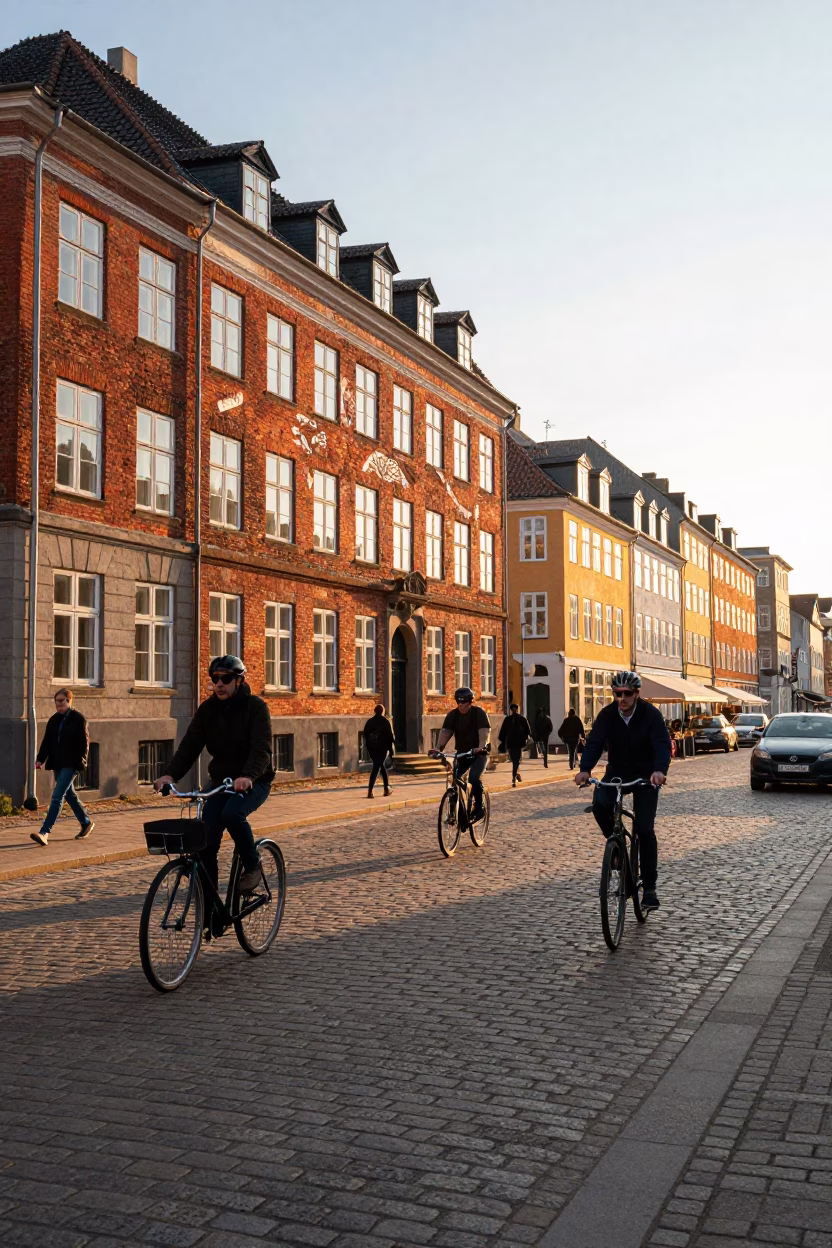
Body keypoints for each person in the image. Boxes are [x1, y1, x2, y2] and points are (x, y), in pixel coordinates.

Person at [155, 655, 274, 903]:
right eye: (215, 679)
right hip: (221, 781)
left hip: (255, 780)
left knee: (232, 814)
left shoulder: (256, 708)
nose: (219, 684)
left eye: (226, 679)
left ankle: (252, 866)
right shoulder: (207, 711)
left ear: (239, 681)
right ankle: (210, 908)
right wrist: (170, 775)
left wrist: (248, 776)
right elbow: (189, 746)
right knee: (205, 842)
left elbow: (261, 750)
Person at [574, 670, 671, 911]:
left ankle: (649, 888)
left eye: (627, 693)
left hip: (646, 775)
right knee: (599, 803)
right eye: (617, 694)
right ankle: (615, 846)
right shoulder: (607, 715)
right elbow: (595, 742)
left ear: (637, 694)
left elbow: (661, 744)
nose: (622, 698)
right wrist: (585, 769)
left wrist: (659, 770)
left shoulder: (651, 715)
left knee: (645, 828)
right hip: (617, 772)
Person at [30, 688, 95, 846]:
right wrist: (40, 759)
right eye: (56, 702)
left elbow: (84, 743)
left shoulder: (79, 719)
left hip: (72, 764)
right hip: (58, 763)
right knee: (69, 795)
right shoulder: (53, 720)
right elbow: (47, 742)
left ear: (69, 701)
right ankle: (86, 822)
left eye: (61, 701)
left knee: (57, 796)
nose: (58, 705)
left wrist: (81, 762)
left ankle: (44, 832)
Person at [431, 687, 491, 820]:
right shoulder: (453, 715)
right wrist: (437, 749)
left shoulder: (478, 713)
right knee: (454, 779)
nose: (461, 705)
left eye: (463, 702)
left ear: (470, 702)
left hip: (479, 754)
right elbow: (446, 733)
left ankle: (479, 808)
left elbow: (484, 733)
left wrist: (480, 747)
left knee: (474, 778)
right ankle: (456, 811)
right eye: (458, 702)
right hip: (463, 754)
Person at [363, 704, 394, 798]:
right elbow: (390, 737)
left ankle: (386, 788)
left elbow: (365, 735)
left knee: (381, 766)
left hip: (372, 749)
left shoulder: (370, 722)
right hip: (382, 749)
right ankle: (370, 791)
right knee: (376, 768)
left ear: (375, 711)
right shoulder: (385, 721)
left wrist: (368, 747)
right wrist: (391, 750)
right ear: (383, 711)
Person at [498, 703, 530, 786]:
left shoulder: (507, 719)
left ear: (511, 710)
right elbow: (528, 731)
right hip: (519, 743)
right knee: (517, 761)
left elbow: (502, 733)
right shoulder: (522, 719)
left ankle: (516, 775)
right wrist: (525, 738)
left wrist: (503, 740)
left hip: (510, 743)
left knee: (515, 761)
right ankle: (514, 777)